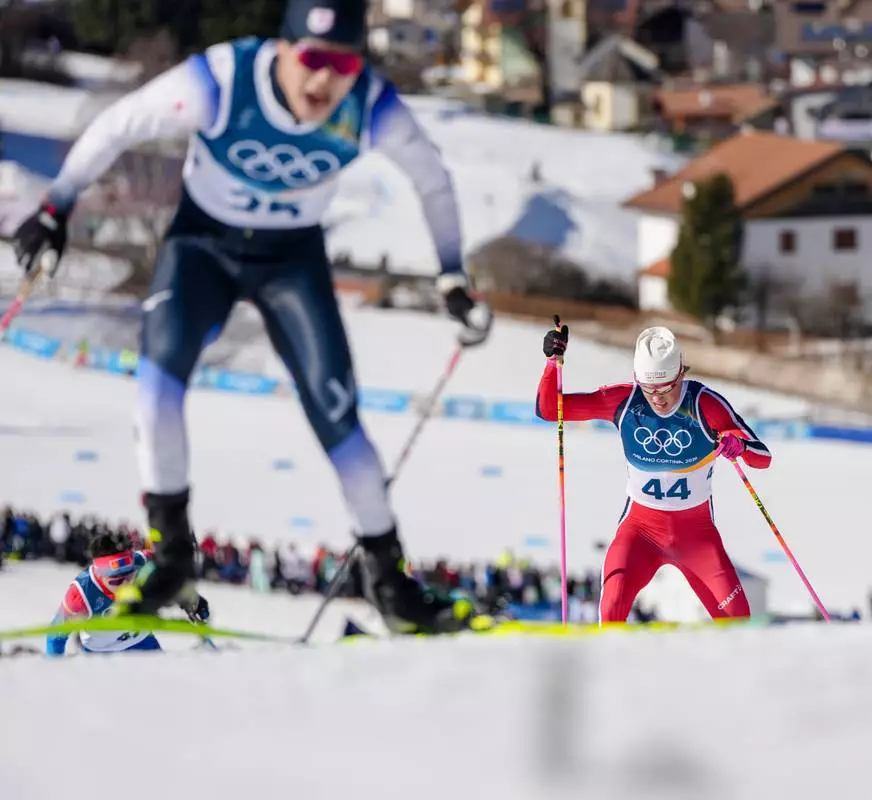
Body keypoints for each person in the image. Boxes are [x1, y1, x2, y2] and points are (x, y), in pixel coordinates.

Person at [11, 0, 491, 634]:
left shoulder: (369, 105)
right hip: (202, 245)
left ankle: (391, 586)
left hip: (290, 259)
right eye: (312, 61)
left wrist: (452, 273)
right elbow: (121, 124)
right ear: (284, 49)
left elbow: (432, 179)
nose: (324, 81)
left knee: (338, 415)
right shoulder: (222, 79)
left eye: (342, 65)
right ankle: (173, 555)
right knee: (157, 385)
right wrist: (55, 208)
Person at [535, 324, 772, 623]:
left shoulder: (704, 404)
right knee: (610, 611)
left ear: (680, 374)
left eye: (665, 389)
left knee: (739, 621)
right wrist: (551, 363)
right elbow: (548, 409)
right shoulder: (624, 401)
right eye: (648, 389)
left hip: (696, 538)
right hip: (640, 534)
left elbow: (763, 458)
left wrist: (740, 447)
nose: (657, 398)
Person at [46, 531, 210, 656]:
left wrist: (191, 599)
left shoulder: (143, 562)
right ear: (100, 575)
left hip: (141, 641)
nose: (125, 584)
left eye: (130, 577)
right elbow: (55, 637)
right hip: (100, 654)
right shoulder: (81, 595)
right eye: (116, 581)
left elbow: (169, 578)